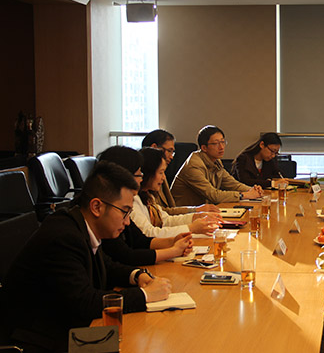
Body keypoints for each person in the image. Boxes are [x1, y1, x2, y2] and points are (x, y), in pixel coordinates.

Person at [1, 161, 172, 352]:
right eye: (124, 212)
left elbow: (107, 266)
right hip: (37, 340)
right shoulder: (63, 236)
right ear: (97, 207)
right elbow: (85, 302)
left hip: (62, 327)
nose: (126, 222)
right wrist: (145, 295)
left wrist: (137, 275)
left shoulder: (81, 225)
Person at [98, 145, 193, 265]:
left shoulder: (138, 198)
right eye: (139, 174)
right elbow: (125, 256)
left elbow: (140, 240)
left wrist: (173, 241)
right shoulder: (111, 210)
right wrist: (173, 251)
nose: (141, 179)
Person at [132, 147, 220, 238]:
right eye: (161, 173)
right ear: (148, 173)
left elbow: (166, 220)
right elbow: (148, 233)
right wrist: (191, 228)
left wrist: (196, 217)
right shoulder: (134, 200)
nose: (164, 178)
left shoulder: (148, 196)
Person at [171, 125, 264, 205]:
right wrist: (243, 195)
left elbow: (231, 183)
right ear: (204, 148)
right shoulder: (194, 166)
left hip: (204, 210)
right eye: (216, 143)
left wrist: (252, 190)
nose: (221, 147)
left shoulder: (215, 161)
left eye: (223, 142)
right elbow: (213, 195)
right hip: (185, 213)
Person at [142, 129, 220, 215]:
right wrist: (195, 210)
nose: (171, 157)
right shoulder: (146, 178)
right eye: (169, 151)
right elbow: (161, 213)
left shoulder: (160, 173)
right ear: (154, 147)